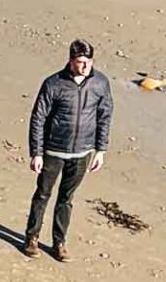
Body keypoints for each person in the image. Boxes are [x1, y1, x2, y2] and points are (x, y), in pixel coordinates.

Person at [24, 38, 113, 261]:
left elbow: (105, 116)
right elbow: (38, 118)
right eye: (81, 62)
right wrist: (37, 152)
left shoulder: (100, 83)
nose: (85, 67)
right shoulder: (53, 84)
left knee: (67, 198)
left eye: (89, 62)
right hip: (53, 150)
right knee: (43, 194)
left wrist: (100, 150)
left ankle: (59, 243)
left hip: (83, 152)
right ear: (71, 61)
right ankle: (32, 238)